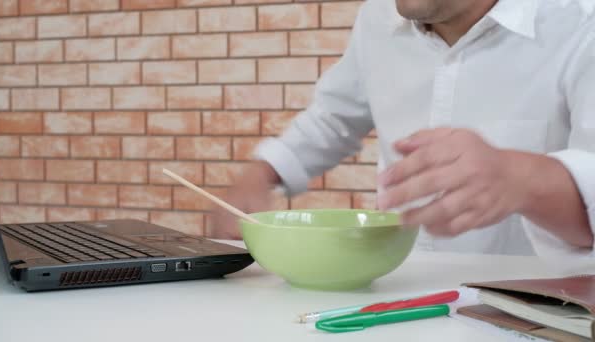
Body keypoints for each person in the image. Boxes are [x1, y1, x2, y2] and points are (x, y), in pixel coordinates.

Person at [211, 0, 595, 258]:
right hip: (398, 293)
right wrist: (261, 173)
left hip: (534, 315)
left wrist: (522, 178)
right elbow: (333, 117)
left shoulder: (580, 23)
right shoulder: (377, 18)